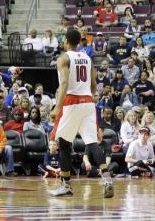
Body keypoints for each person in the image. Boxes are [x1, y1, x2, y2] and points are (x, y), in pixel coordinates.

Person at [49, 27, 112, 198]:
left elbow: (63, 85)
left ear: (66, 41)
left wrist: (57, 107)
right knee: (92, 142)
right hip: (88, 101)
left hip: (72, 101)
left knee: (63, 143)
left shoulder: (63, 58)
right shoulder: (87, 57)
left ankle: (66, 184)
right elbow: (93, 86)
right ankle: (106, 178)